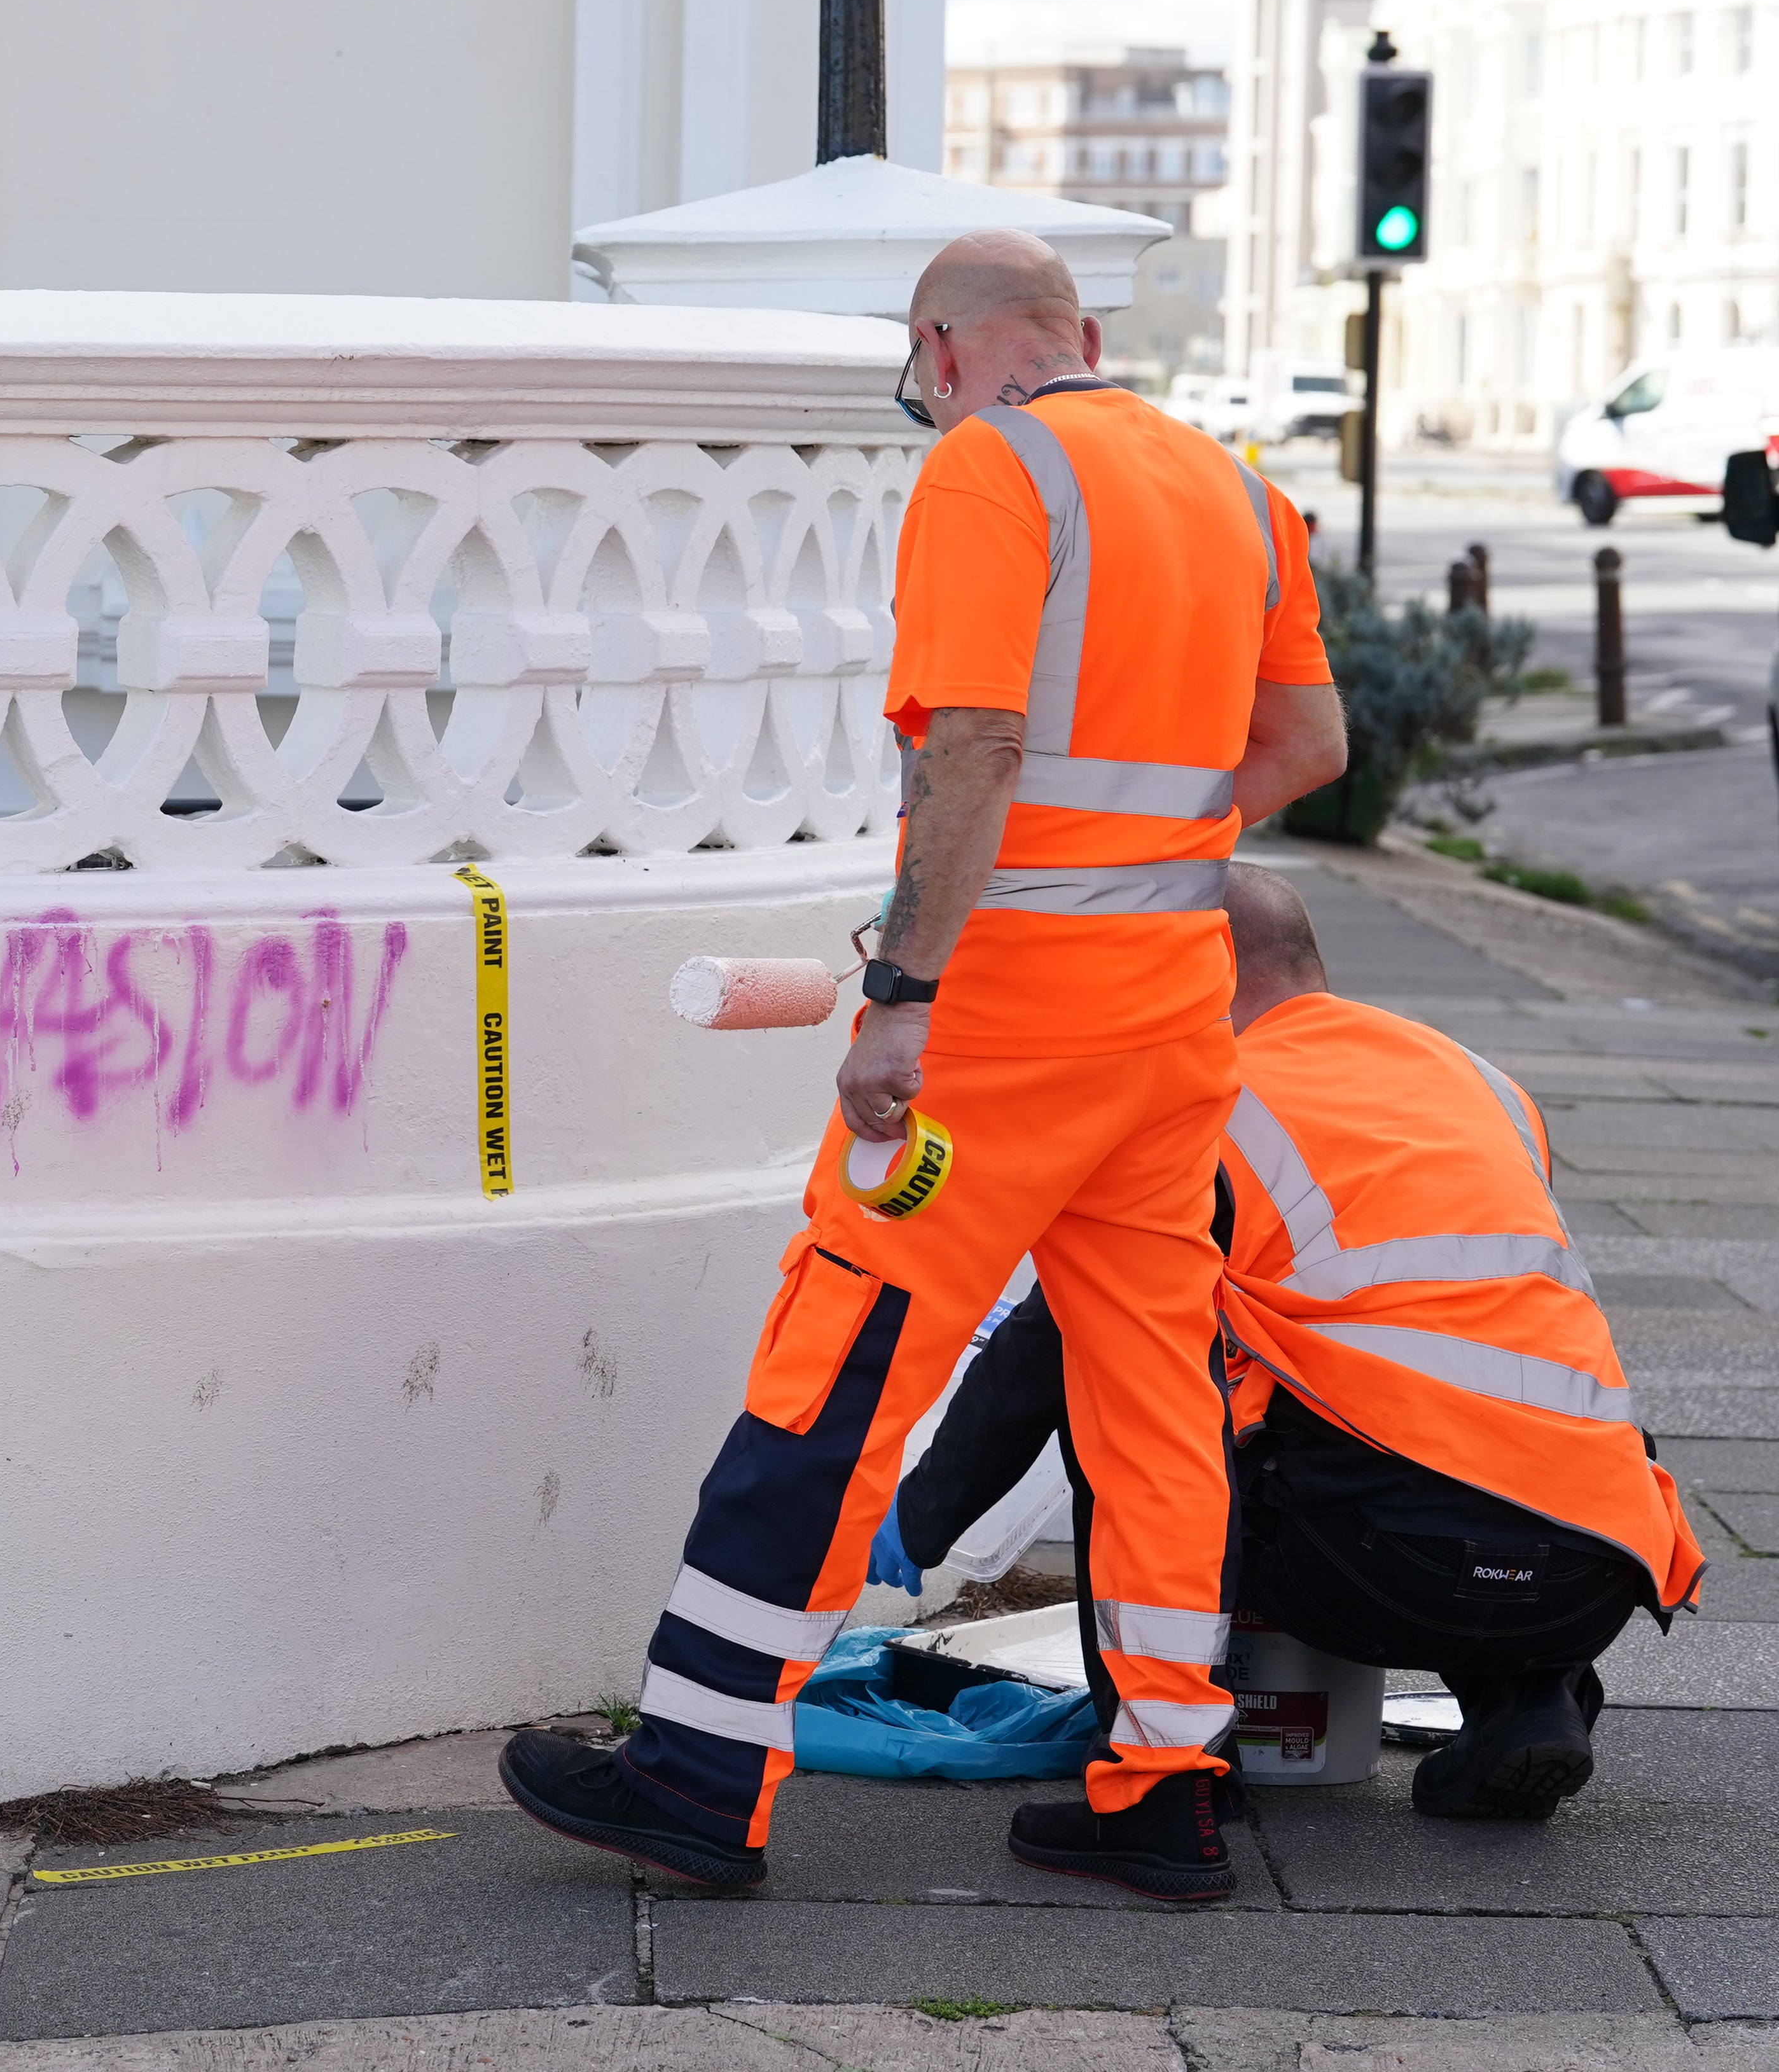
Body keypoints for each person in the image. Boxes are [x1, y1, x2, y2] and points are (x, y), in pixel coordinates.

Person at [499, 228, 1347, 1902]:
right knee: (1154, 1395)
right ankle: (1162, 1787)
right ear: (1084, 330)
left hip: (999, 1033)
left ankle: (695, 1763)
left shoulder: (991, 470)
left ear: (945, 352)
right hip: (1171, 1026)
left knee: (844, 1355)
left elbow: (974, 751)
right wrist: (1152, 844)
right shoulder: (1241, 495)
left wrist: (899, 994)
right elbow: (1308, 743)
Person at [877, 865, 1708, 1821]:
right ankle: (1528, 1704)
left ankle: (1165, 1760)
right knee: (1466, 1419)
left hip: (1369, 1562)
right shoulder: (1482, 1081)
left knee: (1119, 1384)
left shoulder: (1199, 1105)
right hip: (1592, 1569)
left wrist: (927, 1512)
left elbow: (1050, 1338)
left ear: (1206, 964)